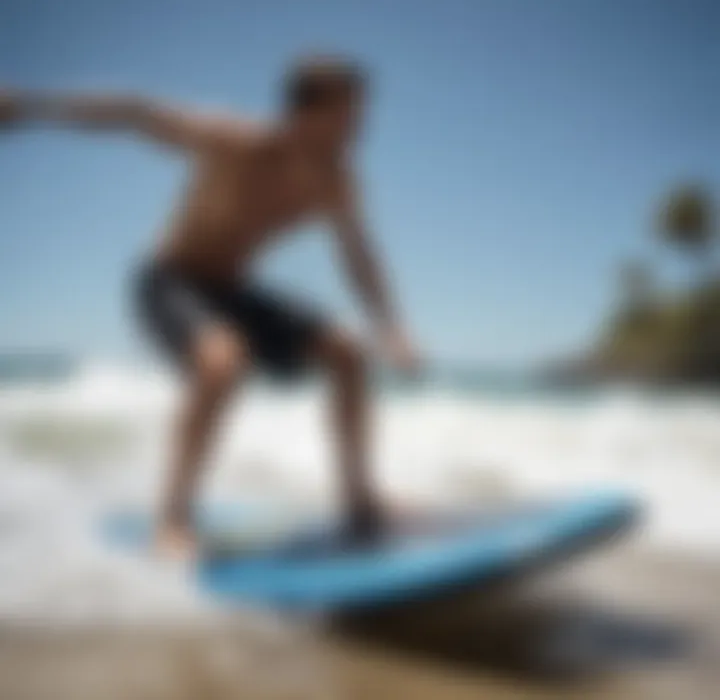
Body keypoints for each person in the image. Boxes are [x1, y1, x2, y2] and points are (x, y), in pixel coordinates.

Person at [0, 56, 420, 558]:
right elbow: (137, 113)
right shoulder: (233, 141)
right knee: (222, 361)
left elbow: (358, 255)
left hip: (232, 290)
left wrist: (391, 326)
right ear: (307, 113)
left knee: (348, 352)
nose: (360, 127)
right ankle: (172, 519)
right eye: (349, 114)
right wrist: (31, 105)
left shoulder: (336, 180)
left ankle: (359, 501)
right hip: (167, 280)